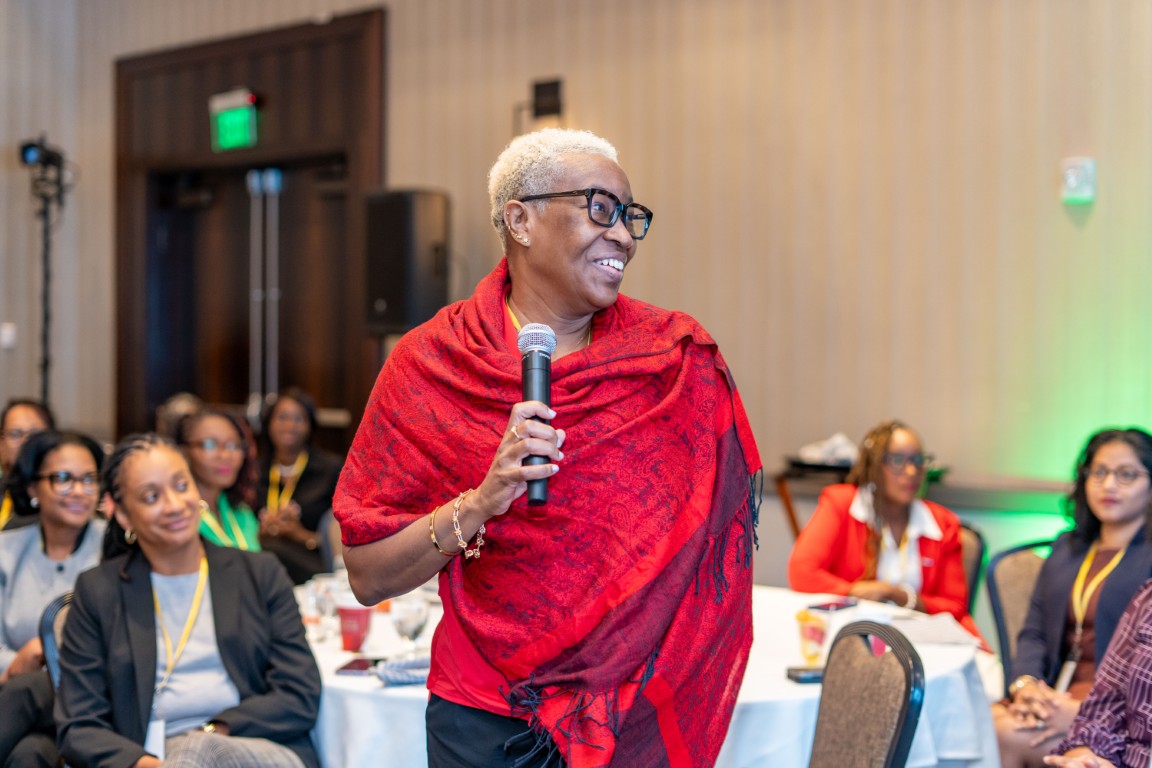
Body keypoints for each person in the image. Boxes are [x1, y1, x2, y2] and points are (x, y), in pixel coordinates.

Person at [334, 128, 761, 768]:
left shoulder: (669, 364)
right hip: (485, 716)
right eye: (600, 208)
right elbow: (369, 575)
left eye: (629, 216)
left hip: (635, 711)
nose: (623, 236)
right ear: (520, 221)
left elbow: (709, 545)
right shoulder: (432, 365)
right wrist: (482, 501)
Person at [55, 433, 320, 768]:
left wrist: (213, 731)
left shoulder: (259, 573)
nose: (174, 505)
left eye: (181, 486)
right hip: (149, 760)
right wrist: (150, 765)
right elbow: (79, 726)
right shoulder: (99, 591)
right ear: (122, 515)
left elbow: (299, 692)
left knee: (200, 750)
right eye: (151, 496)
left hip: (255, 746)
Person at [995, 429, 1152, 768]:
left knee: (1006, 733)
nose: (1109, 485)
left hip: (1110, 712)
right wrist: (1025, 687)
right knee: (985, 718)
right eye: (1099, 472)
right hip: (1051, 694)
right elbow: (1034, 631)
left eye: (1126, 474)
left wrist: (1081, 713)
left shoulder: (1148, 560)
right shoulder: (1067, 548)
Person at [787, 419, 983, 640]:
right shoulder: (842, 504)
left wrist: (898, 595)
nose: (911, 471)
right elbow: (802, 573)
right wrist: (853, 592)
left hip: (923, 637)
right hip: (855, 635)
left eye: (918, 460)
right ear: (874, 466)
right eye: (897, 460)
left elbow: (954, 606)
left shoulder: (943, 523)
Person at [0, 430, 105, 766]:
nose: (79, 490)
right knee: (29, 755)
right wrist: (16, 662)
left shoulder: (115, 548)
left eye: (88, 479)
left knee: (28, 690)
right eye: (63, 479)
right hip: (19, 701)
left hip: (93, 694)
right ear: (33, 488)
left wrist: (46, 650)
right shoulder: (6, 550)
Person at [1044, 578, 1152, 768]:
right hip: (1128, 760)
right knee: (1002, 729)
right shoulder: (1147, 599)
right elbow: (1104, 708)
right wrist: (1085, 755)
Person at [256, 388, 342, 584]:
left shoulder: (330, 470)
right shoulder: (254, 471)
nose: (289, 425)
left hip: (315, 565)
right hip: (263, 562)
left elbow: (343, 537)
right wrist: (262, 531)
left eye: (298, 418)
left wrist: (300, 535)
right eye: (282, 417)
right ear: (268, 423)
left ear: (310, 425)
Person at [175, 407, 261, 551]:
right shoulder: (177, 516)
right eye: (210, 445)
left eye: (233, 445)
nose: (225, 456)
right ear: (184, 452)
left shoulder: (241, 511)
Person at [0, 399, 55, 531]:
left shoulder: (64, 496)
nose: (25, 442)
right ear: (1, 444)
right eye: (15, 434)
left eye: (35, 434)